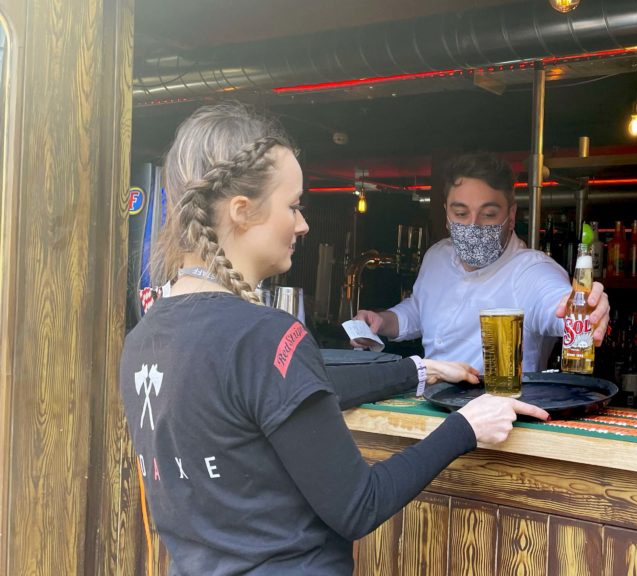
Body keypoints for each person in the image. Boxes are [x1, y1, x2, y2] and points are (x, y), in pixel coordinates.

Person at [119, 102, 549, 575]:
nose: (303, 224)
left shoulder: (146, 334)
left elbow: (296, 389)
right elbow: (359, 505)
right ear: (242, 212)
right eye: (294, 205)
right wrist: (466, 426)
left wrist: (420, 370)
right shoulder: (265, 336)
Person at [355, 151, 610, 372]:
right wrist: (383, 321)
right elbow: (420, 309)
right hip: (432, 409)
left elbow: (558, 305)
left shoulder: (532, 271)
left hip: (502, 419)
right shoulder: (437, 256)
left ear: (510, 216)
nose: (473, 224)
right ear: (446, 214)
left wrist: (584, 310)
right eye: (461, 213)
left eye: (488, 214)